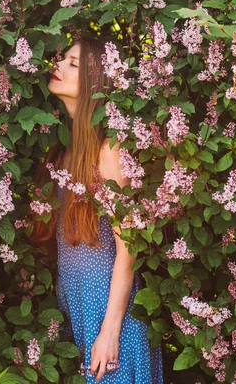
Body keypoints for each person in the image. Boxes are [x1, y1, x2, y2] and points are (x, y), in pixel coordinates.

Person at [32, 37, 163, 383]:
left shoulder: (109, 152)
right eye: (64, 59)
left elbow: (130, 247)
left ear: (95, 82)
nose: (58, 66)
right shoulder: (62, 155)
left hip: (109, 313)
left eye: (73, 64)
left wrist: (110, 331)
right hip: (74, 306)